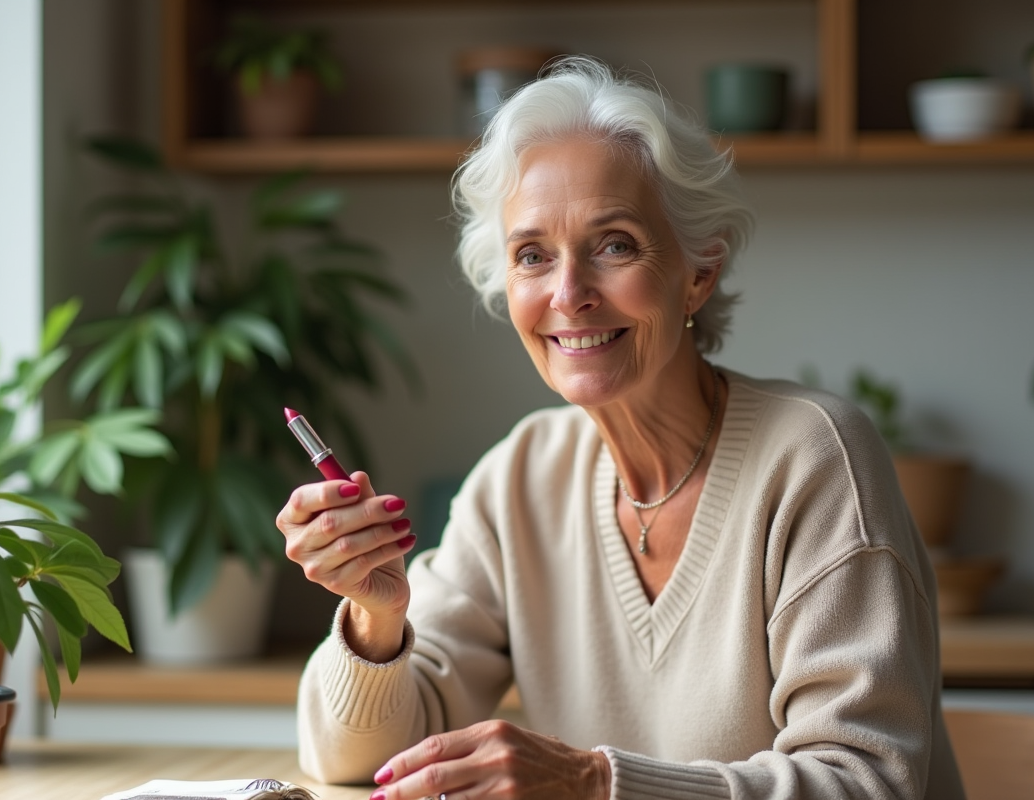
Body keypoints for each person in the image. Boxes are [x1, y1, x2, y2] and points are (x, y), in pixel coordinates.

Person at [277, 57, 964, 800]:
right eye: (532, 256)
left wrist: (595, 783)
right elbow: (353, 763)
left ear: (697, 272)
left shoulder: (814, 459)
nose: (568, 295)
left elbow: (867, 784)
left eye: (614, 244)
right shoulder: (522, 476)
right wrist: (378, 619)